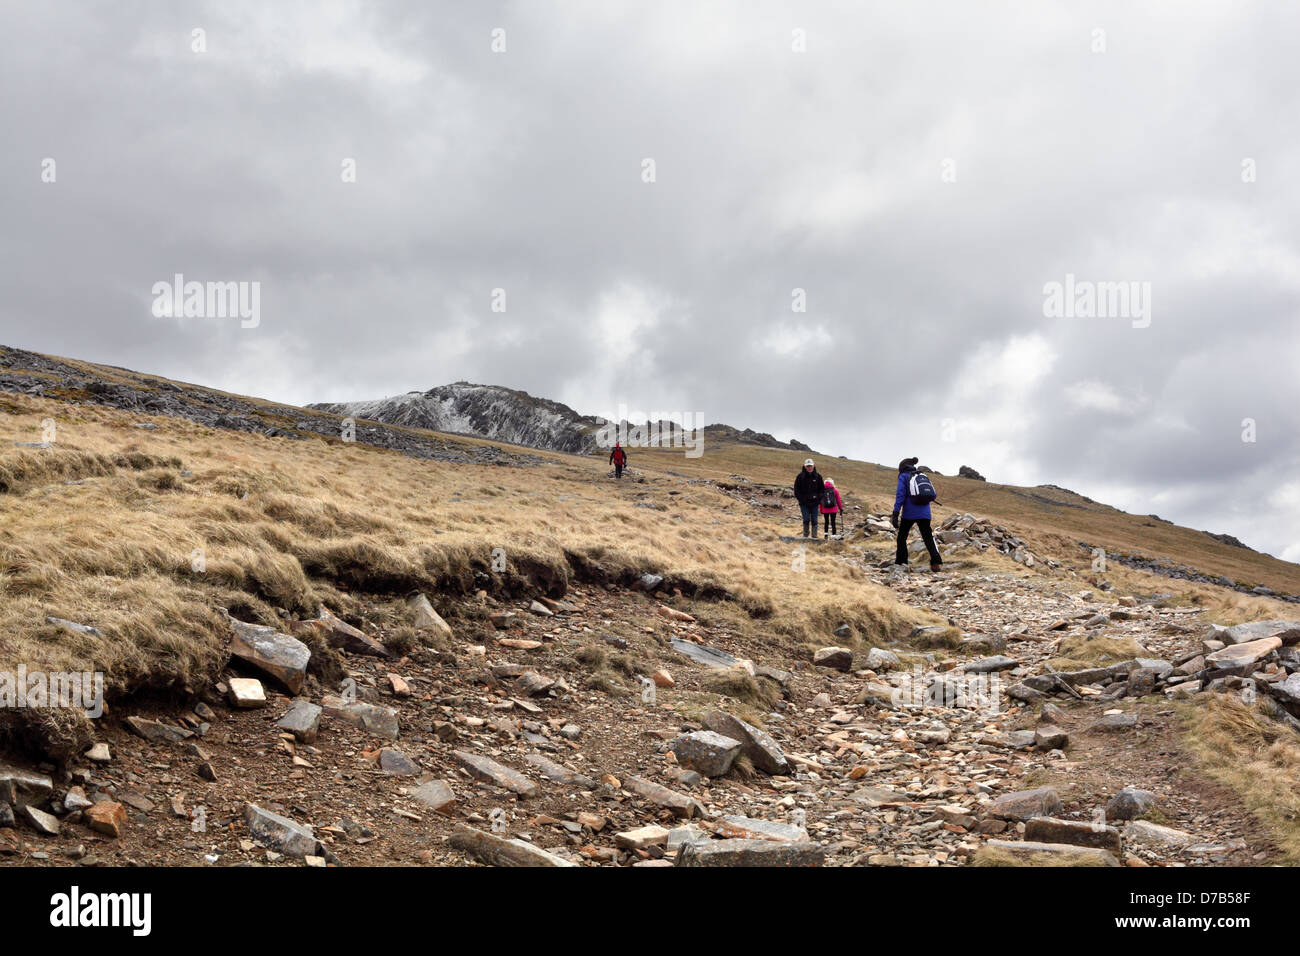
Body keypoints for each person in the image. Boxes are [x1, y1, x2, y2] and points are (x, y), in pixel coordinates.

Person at [892, 456, 942, 570]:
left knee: (902, 537)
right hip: (925, 513)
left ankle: (901, 562)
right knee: (928, 537)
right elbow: (933, 495)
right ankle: (936, 563)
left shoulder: (903, 476)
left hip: (909, 513)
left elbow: (900, 495)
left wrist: (895, 513)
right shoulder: (921, 475)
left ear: (902, 467)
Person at [793, 458, 824, 538]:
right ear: (805, 466)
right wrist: (802, 499)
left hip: (815, 503)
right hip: (804, 503)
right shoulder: (800, 477)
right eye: (808, 466)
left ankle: (814, 537)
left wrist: (818, 499)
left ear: (813, 466)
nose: (809, 468)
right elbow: (796, 490)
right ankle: (805, 536)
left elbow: (822, 490)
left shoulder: (818, 477)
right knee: (806, 519)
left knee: (814, 520)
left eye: (810, 466)